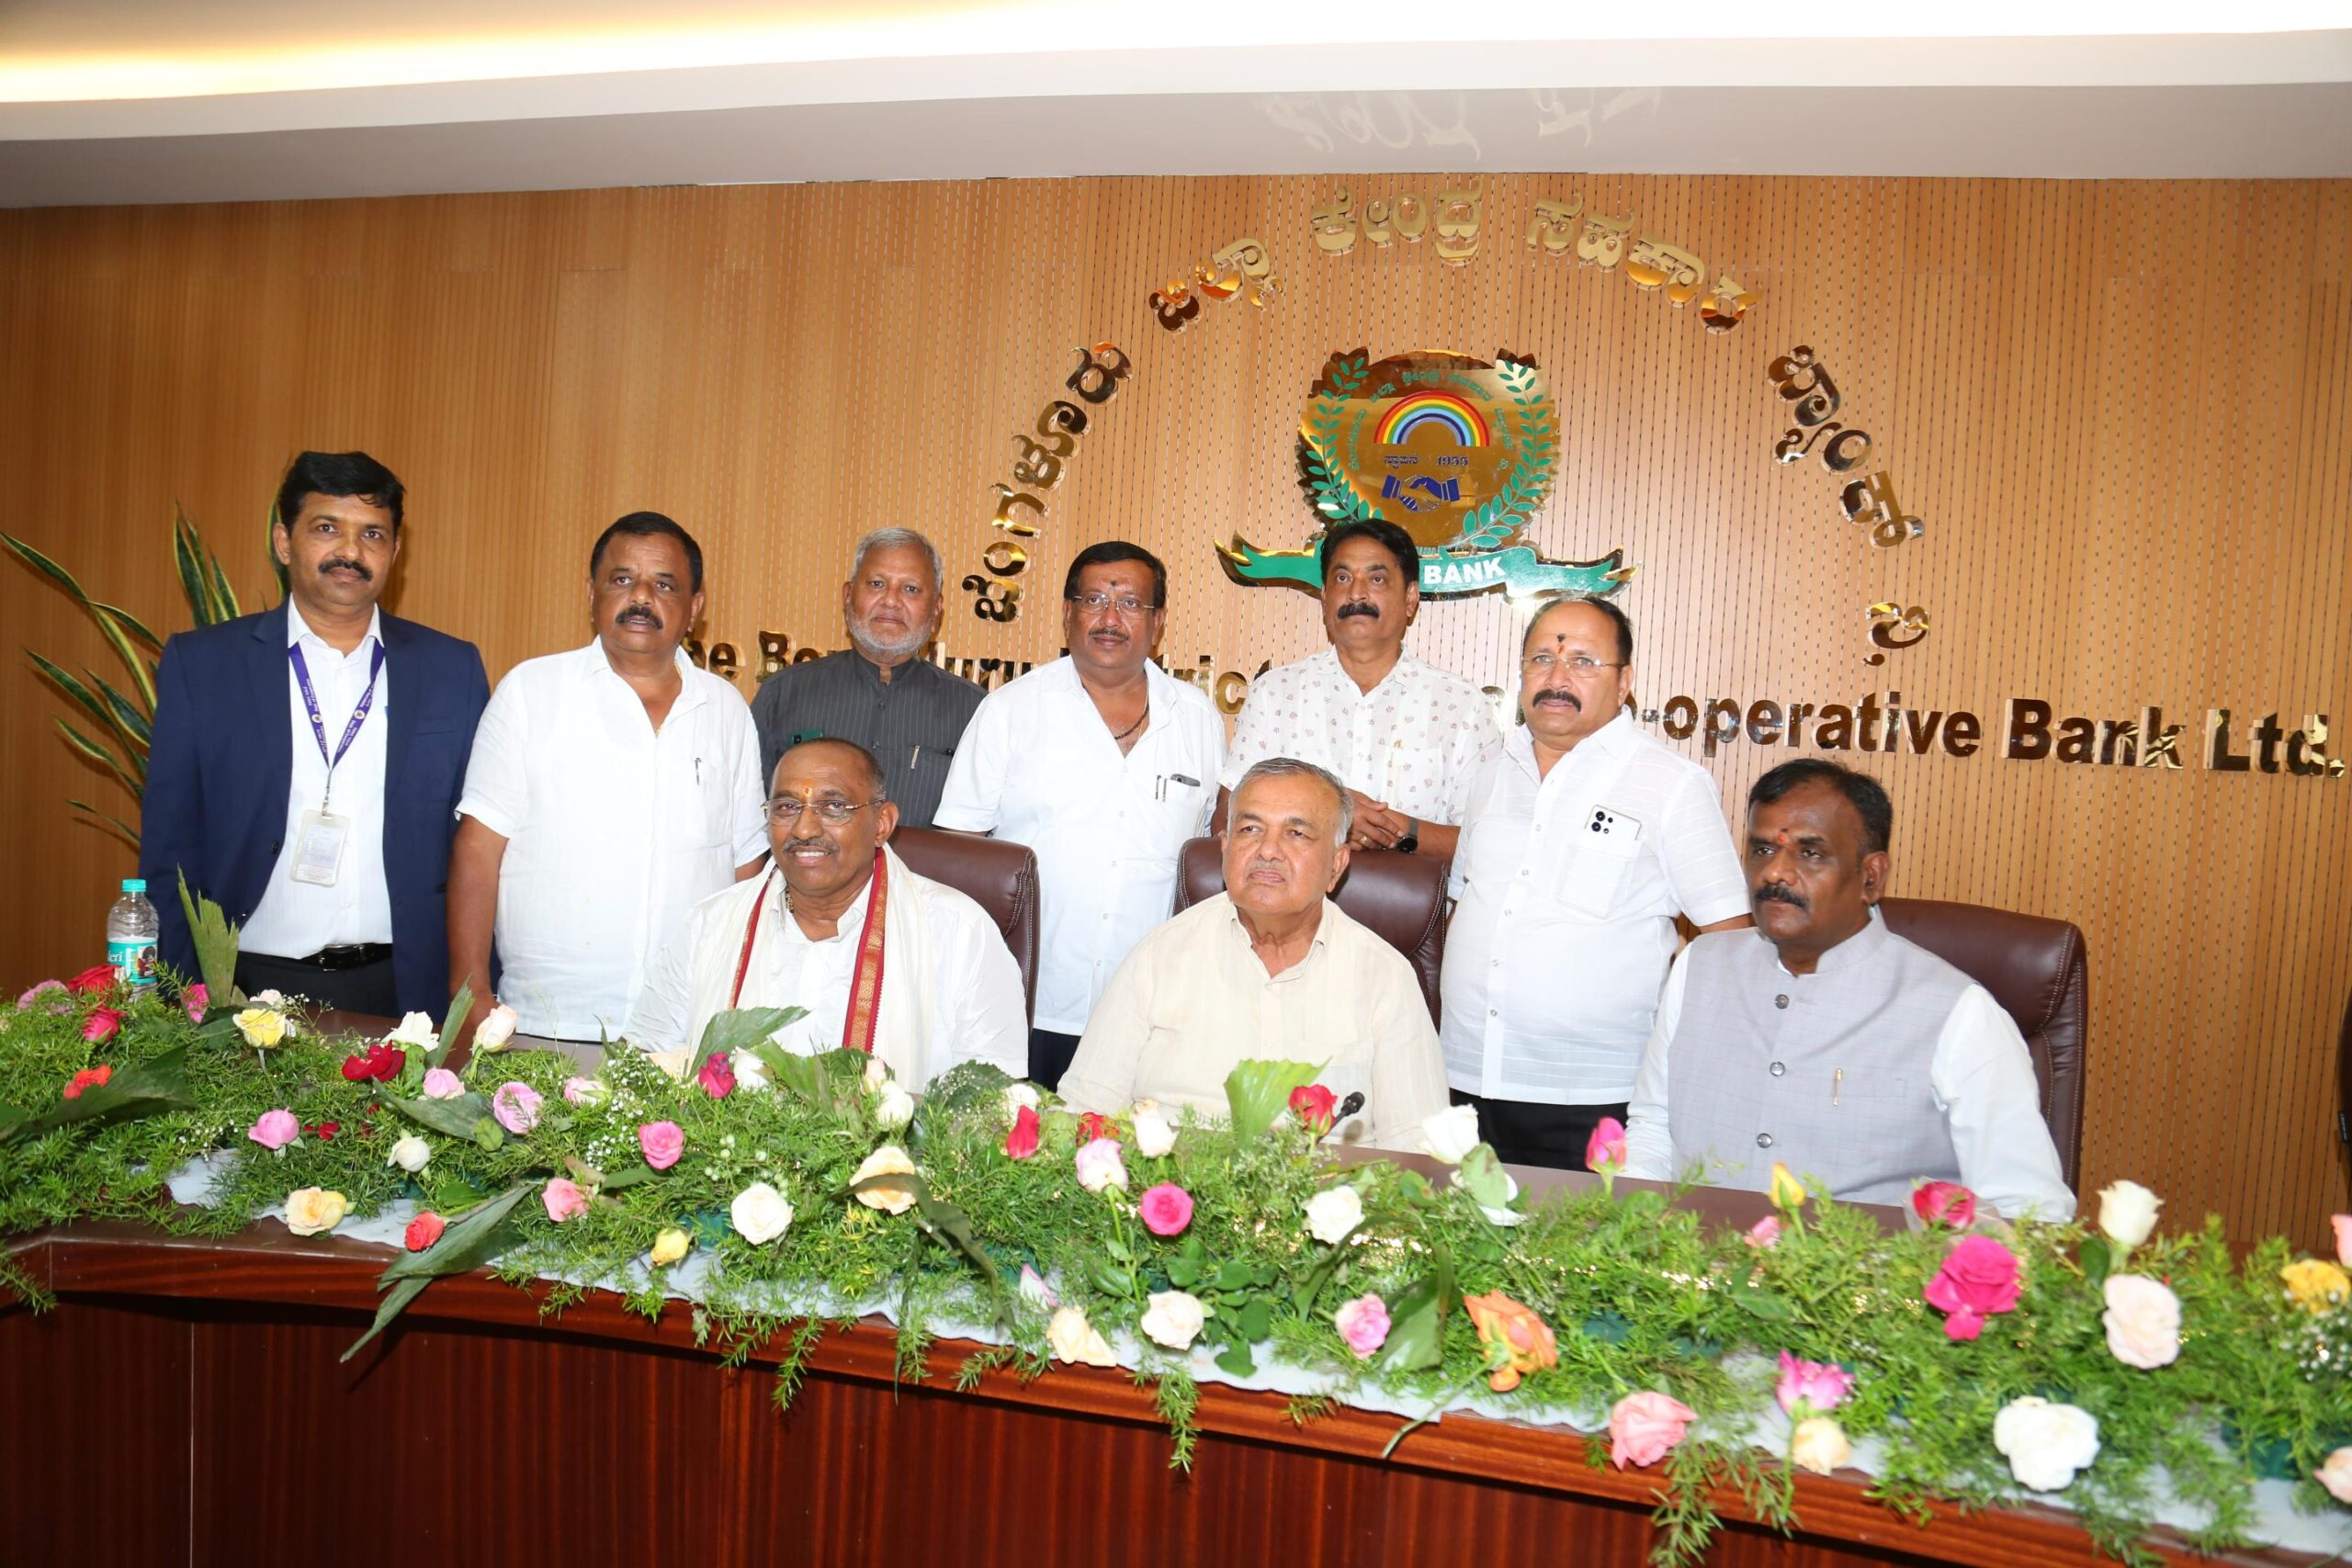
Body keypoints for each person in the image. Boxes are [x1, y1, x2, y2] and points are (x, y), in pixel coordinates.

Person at [1623, 760, 2075, 1219]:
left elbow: (2029, 1209)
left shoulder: (1959, 1012)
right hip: (1695, 1256)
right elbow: (1654, 1127)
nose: (1775, 872)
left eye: (1810, 853)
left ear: (1871, 877)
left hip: (1872, 1263)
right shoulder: (1699, 966)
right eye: (1762, 850)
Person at [141, 451, 488, 1017]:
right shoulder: (203, 665)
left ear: (395, 551)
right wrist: (172, 998)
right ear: (284, 542)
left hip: (404, 992)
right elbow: (171, 847)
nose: (350, 551)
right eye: (327, 528)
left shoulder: (452, 669)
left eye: (372, 534)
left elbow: (478, 844)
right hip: (244, 986)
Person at [1442, 594, 1750, 1169]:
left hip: (1594, 1098)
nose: (1557, 678)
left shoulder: (1671, 784)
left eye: (1583, 661)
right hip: (1464, 1078)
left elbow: (1730, 941)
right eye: (1541, 659)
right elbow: (1464, 904)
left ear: (1625, 681)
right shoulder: (1490, 776)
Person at [447, 512, 766, 1062]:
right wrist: (469, 992)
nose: (641, 597)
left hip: (686, 1030)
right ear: (591, 592)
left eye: (664, 584)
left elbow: (746, 866)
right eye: (622, 579)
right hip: (546, 1024)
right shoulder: (531, 692)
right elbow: (478, 849)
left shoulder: (726, 709)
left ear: (695, 607)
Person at [933, 541, 1225, 1089]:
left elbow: (1212, 855)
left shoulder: (1198, 719)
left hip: (1156, 1007)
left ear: (1158, 622)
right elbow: (958, 855)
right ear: (1068, 613)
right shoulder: (1010, 710)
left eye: (1131, 603)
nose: (1110, 618)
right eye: (1094, 600)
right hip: (1026, 1001)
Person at [1060, 758, 1449, 1150]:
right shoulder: (1159, 956)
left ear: (1336, 864)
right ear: (1225, 848)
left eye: (1296, 833)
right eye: (1250, 829)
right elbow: (1084, 1112)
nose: (1268, 850)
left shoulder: (1385, 977)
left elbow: (1420, 1150)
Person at [627, 739, 1027, 1084]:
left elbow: (992, 1101)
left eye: (833, 806)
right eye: (787, 806)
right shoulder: (711, 924)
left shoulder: (960, 932)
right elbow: (642, 1061)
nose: (804, 829)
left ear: (882, 824)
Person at [1220, 520, 1499, 858]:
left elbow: (1489, 843)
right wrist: (1326, 816)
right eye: (1342, 578)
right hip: (1287, 892)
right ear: (1325, 597)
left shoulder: (1462, 705)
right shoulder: (1274, 693)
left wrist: (1397, 830)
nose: (1356, 593)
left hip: (1406, 894)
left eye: (1376, 579)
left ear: (1410, 598)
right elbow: (1226, 822)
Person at [750, 527, 981, 829]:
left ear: (936, 609)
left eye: (911, 589)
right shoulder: (783, 694)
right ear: (848, 596)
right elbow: (749, 820)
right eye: (877, 584)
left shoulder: (973, 711)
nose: (891, 601)